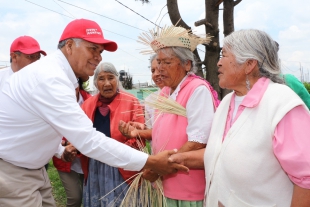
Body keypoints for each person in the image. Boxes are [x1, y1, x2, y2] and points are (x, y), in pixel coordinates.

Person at [0, 18, 188, 207]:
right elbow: (88, 140)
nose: (99, 57)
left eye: (100, 52)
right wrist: (150, 162)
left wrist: (58, 150)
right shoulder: (51, 79)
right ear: (70, 46)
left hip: (30, 169)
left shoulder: (61, 77)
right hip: (13, 171)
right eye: (93, 49)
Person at [169, 29, 310, 207]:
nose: (218, 63)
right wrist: (181, 158)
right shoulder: (227, 102)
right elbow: (224, 152)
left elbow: (306, 180)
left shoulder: (282, 105)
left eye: (224, 55)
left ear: (249, 64)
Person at [135, 25, 219, 206]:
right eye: (159, 62)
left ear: (186, 64)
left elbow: (198, 141)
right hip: (164, 185)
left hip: (187, 189)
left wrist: (159, 168)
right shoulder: (165, 92)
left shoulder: (197, 90)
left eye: (167, 62)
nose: (160, 67)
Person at [80, 62, 144, 206]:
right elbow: (81, 134)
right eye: (101, 78)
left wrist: (128, 140)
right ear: (96, 83)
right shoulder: (87, 105)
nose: (107, 83)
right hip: (96, 165)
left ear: (117, 80)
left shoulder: (131, 102)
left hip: (123, 163)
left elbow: (141, 134)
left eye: (111, 78)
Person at [52, 76, 91, 207]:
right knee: (75, 198)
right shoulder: (53, 102)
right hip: (65, 159)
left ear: (78, 84)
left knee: (89, 196)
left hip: (87, 158)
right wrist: (64, 143)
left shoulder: (90, 101)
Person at [119, 54, 164, 140]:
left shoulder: (183, 95)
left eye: (160, 69)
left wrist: (138, 132)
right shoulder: (150, 100)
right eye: (153, 71)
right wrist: (141, 128)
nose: (156, 74)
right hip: (158, 153)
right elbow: (152, 132)